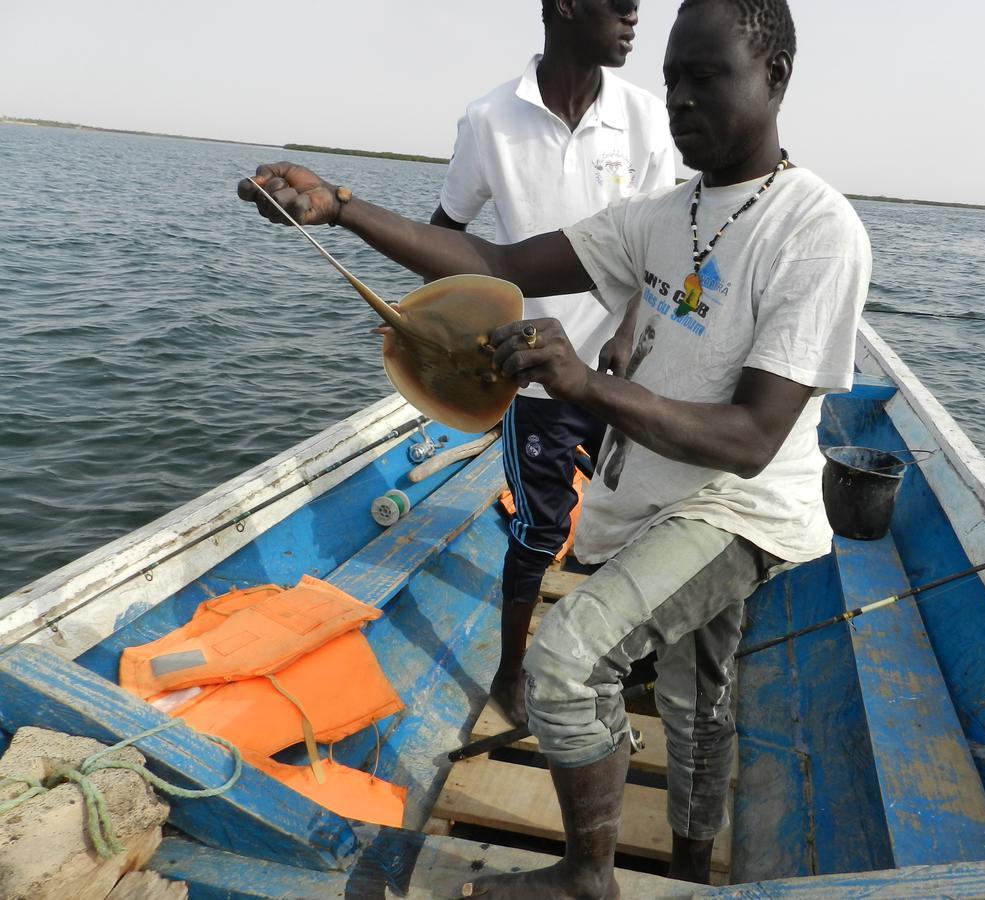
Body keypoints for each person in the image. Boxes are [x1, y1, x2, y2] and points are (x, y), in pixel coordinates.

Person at [238, 0, 871, 894]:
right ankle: (691, 867)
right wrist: (338, 207)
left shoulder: (817, 230)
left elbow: (754, 438)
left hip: (740, 506)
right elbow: (493, 265)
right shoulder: (660, 215)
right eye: (674, 78)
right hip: (651, 494)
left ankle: (588, 876)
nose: (682, 97)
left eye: (708, 76)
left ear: (776, 79)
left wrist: (586, 384)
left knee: (568, 662)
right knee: (695, 696)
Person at [429, 0, 675, 727]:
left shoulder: (645, 118)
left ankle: (633, 666)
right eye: (620, 3)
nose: (635, 14)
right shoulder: (489, 120)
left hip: (624, 370)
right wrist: (440, 337)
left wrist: (627, 332)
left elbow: (659, 248)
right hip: (531, 375)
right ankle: (511, 674)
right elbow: (448, 232)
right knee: (539, 529)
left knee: (637, 519)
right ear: (566, 5)